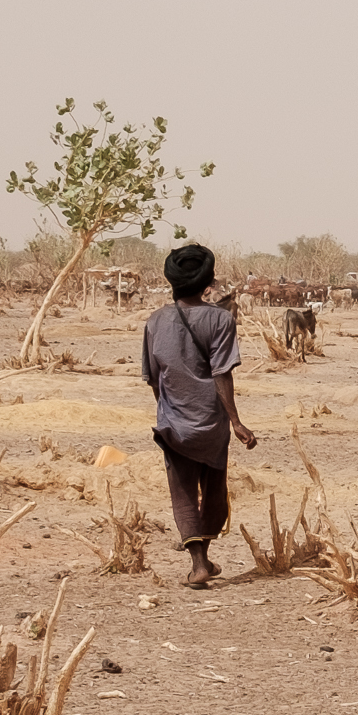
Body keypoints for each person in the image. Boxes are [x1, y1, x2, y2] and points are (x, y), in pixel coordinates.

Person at [141, 240, 257, 586]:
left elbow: (153, 377)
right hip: (212, 423)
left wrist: (169, 408)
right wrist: (235, 420)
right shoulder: (221, 320)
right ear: (208, 282)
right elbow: (223, 373)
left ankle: (198, 563)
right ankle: (204, 556)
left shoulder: (155, 322)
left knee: (183, 492)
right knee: (214, 489)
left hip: (174, 424)